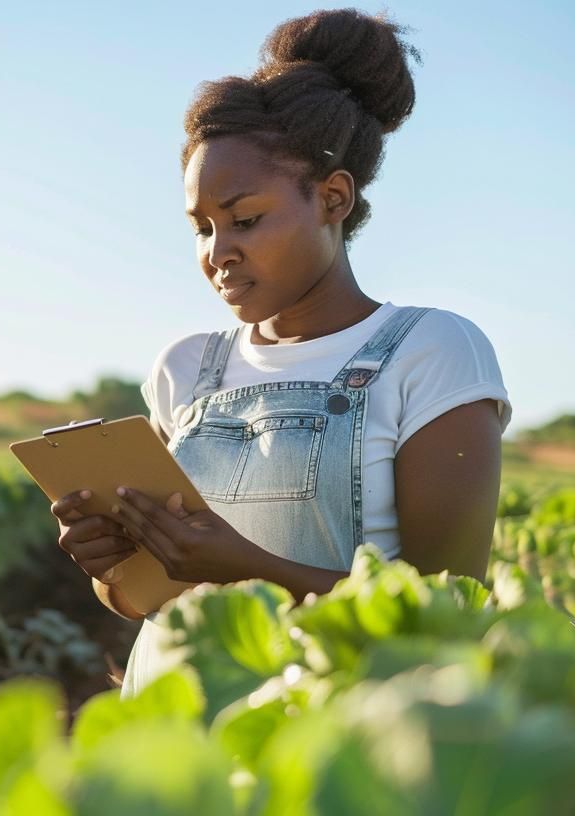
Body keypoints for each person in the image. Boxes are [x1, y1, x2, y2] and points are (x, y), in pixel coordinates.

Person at [49, 8, 511, 698]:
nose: (217, 253)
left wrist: (246, 571)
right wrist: (112, 567)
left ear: (332, 198)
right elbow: (150, 603)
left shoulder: (433, 352)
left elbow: (445, 619)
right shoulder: (184, 366)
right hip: (170, 733)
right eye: (201, 227)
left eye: (245, 219)